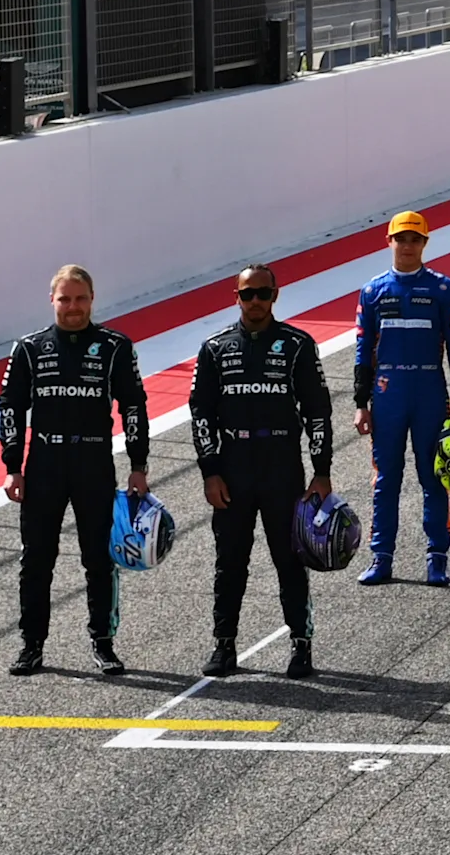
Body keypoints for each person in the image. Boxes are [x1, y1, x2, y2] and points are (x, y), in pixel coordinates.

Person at [0, 265, 148, 677]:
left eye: (80, 298)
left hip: (94, 462)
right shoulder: (29, 348)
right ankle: (32, 645)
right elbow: (10, 407)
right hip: (44, 464)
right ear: (53, 301)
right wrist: (13, 466)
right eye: (65, 299)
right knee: (36, 560)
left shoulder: (115, 345)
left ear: (92, 299)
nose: (73, 307)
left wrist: (138, 465)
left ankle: (103, 643)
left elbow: (134, 404)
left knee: (99, 559)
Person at [188, 264, 333, 680]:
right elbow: (201, 415)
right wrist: (210, 472)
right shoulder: (214, 349)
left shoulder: (298, 345)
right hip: (233, 466)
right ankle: (224, 645)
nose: (255, 301)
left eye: (263, 294)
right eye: (247, 294)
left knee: (290, 560)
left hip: (281, 463)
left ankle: (301, 646)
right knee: (229, 561)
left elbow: (318, 413)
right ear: (236, 296)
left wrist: (321, 473)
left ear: (276, 295)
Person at [353, 210, 450, 586]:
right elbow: (363, 352)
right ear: (389, 241)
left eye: (415, 239)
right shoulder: (373, 290)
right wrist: (361, 403)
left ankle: (437, 557)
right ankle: (381, 557)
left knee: (434, 476)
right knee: (385, 478)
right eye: (401, 238)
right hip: (387, 393)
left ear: (425, 243)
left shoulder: (443, 289)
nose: (407, 245)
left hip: (430, 391)